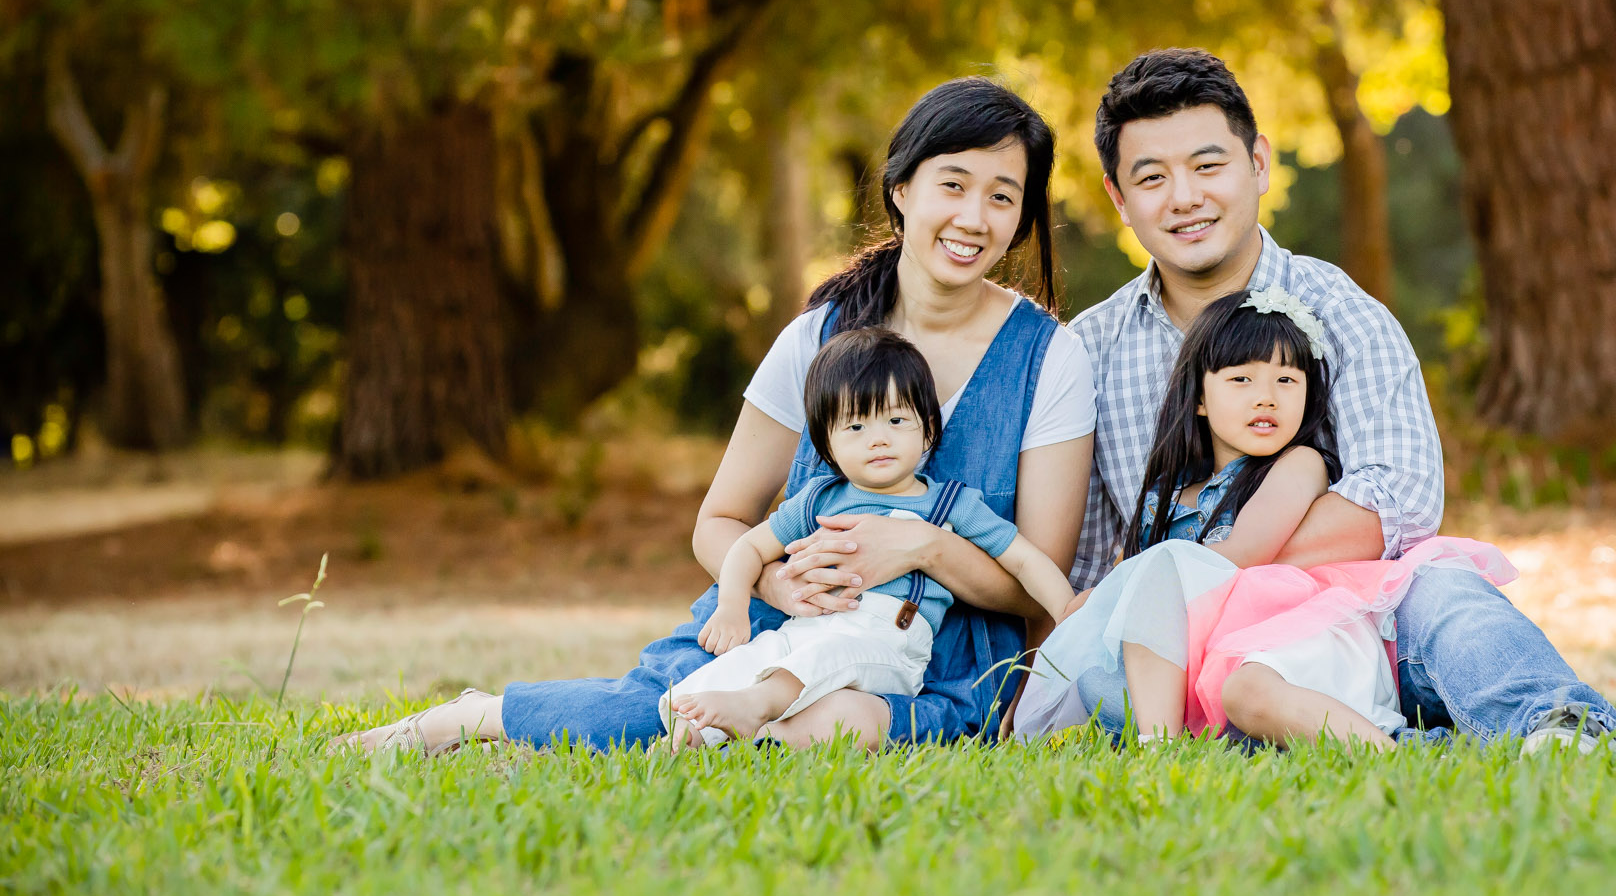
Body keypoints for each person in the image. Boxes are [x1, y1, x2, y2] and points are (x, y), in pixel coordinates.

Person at [334, 78, 1094, 756]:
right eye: (953, 184)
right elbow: (721, 521)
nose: (974, 216)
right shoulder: (819, 336)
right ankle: (468, 718)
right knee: (650, 719)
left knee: (835, 728)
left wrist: (923, 545)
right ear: (900, 188)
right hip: (786, 621)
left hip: (938, 666)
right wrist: (776, 589)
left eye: (1003, 195)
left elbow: (1035, 586)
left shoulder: (1047, 357)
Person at [1055, 48, 1616, 753]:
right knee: (1113, 678)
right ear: (1118, 198)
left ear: (1257, 162)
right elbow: (1084, 564)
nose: (1184, 197)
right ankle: (1380, 740)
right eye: (1152, 178)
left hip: (1356, 621)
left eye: (1207, 166)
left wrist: (1205, 567)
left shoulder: (1338, 310)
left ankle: (1557, 725)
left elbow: (1403, 495)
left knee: (1440, 588)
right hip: (1207, 652)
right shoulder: (1091, 351)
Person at [1014, 288, 1515, 750]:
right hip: (1206, 664)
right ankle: (1164, 741)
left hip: (1293, 639)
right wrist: (1095, 602)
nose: (1265, 396)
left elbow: (1244, 553)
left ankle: (1400, 749)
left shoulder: (1298, 465)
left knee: (1248, 687)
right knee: (1098, 675)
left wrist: (1129, 582)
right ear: (1200, 400)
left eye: (1285, 380)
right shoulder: (1164, 500)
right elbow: (1142, 600)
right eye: (1241, 379)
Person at [661, 326, 1073, 748]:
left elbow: (1023, 558)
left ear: (927, 428)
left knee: (829, 669)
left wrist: (1066, 608)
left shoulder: (951, 504)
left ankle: (755, 708)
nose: (879, 438)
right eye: (855, 427)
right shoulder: (820, 500)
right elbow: (749, 545)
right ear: (827, 444)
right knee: (741, 665)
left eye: (896, 420)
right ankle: (696, 736)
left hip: (889, 639)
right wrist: (732, 605)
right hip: (806, 631)